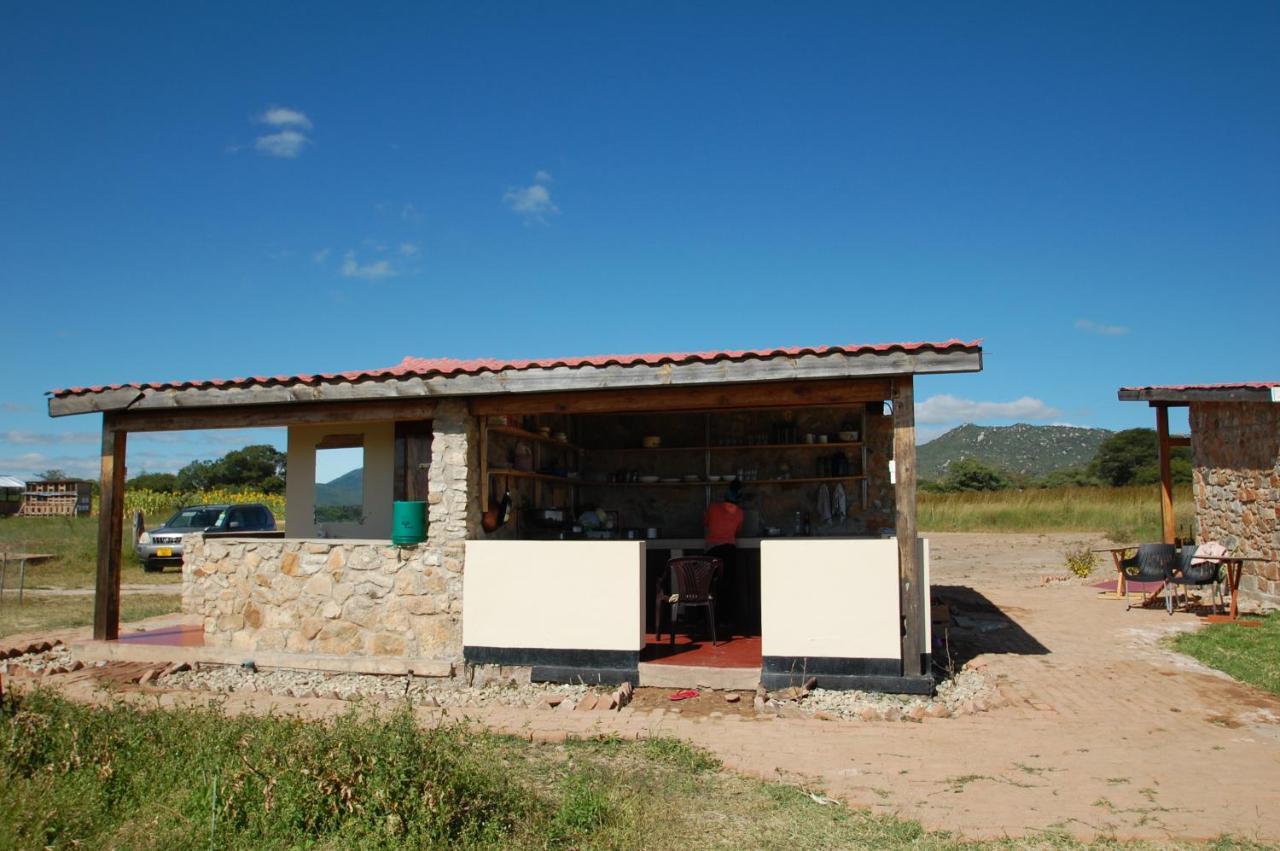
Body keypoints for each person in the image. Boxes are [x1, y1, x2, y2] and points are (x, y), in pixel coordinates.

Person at [704, 479, 744, 628]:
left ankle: (710, 619)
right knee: (728, 586)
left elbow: (706, 523)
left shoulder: (713, 508)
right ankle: (728, 620)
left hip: (712, 552)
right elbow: (737, 531)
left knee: (710, 586)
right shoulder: (740, 513)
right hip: (729, 551)